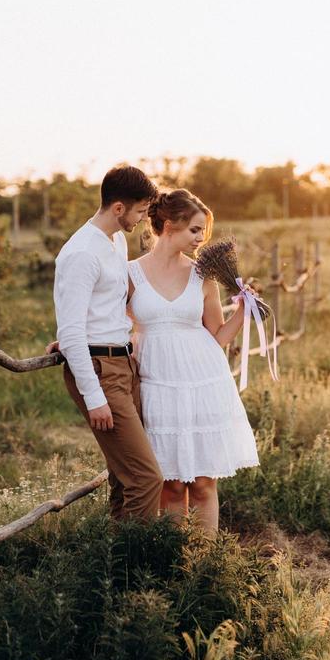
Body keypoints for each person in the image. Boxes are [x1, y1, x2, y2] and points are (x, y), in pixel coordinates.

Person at [127, 188, 259, 532]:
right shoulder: (129, 274)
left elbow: (217, 336)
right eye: (195, 230)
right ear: (169, 225)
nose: (202, 238)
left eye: (204, 231)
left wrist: (243, 311)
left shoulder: (203, 275)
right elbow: (112, 325)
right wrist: (68, 341)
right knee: (169, 483)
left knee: (202, 483)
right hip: (158, 386)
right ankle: (174, 563)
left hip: (203, 383)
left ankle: (203, 566)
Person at [51, 165, 164, 521]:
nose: (144, 218)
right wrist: (94, 395)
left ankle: (116, 564)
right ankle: (138, 564)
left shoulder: (116, 240)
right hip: (101, 374)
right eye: (141, 210)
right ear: (119, 208)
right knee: (147, 478)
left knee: (124, 475)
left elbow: (107, 305)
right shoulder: (82, 253)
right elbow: (71, 330)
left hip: (123, 364)